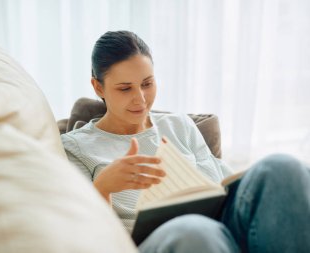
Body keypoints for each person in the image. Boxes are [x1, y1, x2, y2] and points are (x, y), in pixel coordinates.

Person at [61, 30, 310, 253]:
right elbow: (76, 231)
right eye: (125, 89)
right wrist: (103, 187)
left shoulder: (179, 125)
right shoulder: (75, 147)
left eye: (147, 84)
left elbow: (219, 185)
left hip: (218, 224)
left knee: (282, 167)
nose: (141, 99)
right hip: (150, 242)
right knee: (195, 230)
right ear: (98, 87)